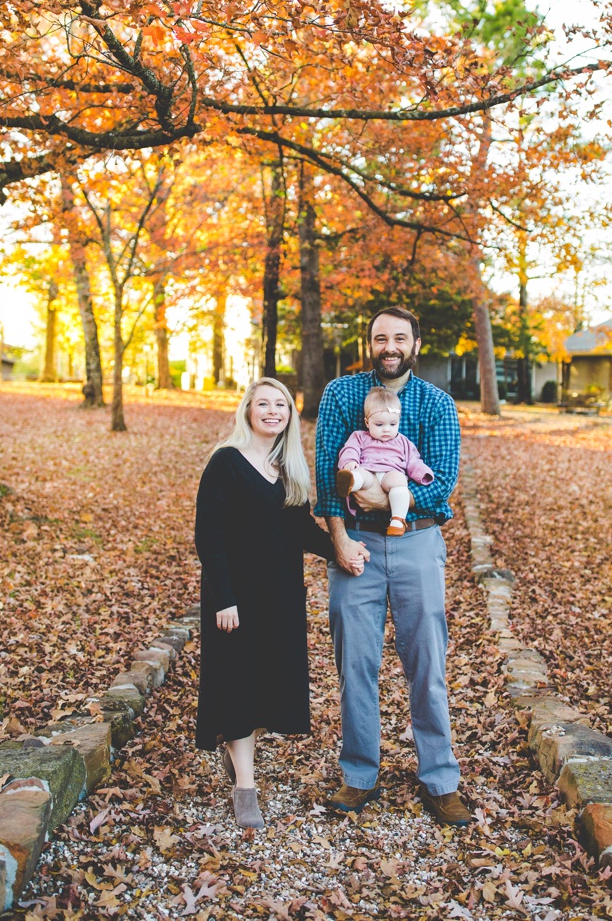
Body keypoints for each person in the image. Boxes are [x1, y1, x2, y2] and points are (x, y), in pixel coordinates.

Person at [313, 306, 472, 826]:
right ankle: (359, 774)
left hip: (417, 545)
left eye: (399, 338)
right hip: (353, 545)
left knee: (427, 662)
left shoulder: (437, 403)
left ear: (415, 344)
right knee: (355, 664)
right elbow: (326, 475)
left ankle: (440, 779)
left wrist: (376, 498)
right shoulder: (341, 395)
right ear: (370, 342)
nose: (389, 346)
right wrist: (339, 537)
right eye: (380, 337)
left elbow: (439, 487)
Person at [195, 377, 334, 830]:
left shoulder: (287, 467)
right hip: (235, 598)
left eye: (281, 405)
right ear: (248, 410)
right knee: (238, 684)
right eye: (264, 404)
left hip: (280, 596)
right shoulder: (226, 463)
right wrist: (225, 599)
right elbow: (208, 538)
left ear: (290, 415)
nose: (273, 411)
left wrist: (343, 550)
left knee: (267, 684)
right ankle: (246, 788)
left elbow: (302, 531)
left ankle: (238, 756)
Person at [335, 387, 435, 537]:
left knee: (399, 481)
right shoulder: (360, 436)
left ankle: (397, 520)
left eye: (392, 424)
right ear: (367, 422)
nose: (386, 430)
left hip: (390, 473)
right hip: (368, 471)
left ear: (398, 422)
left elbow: (413, 460)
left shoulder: (403, 442)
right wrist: (349, 462)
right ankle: (349, 481)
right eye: (379, 425)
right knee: (360, 474)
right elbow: (350, 449)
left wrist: (423, 473)